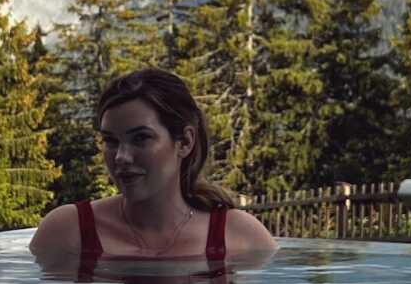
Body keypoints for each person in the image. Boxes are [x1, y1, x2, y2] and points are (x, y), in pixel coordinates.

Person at [29, 68, 277, 270]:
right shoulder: (68, 232)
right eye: (111, 141)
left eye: (141, 139)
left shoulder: (239, 237)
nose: (121, 157)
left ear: (185, 142)